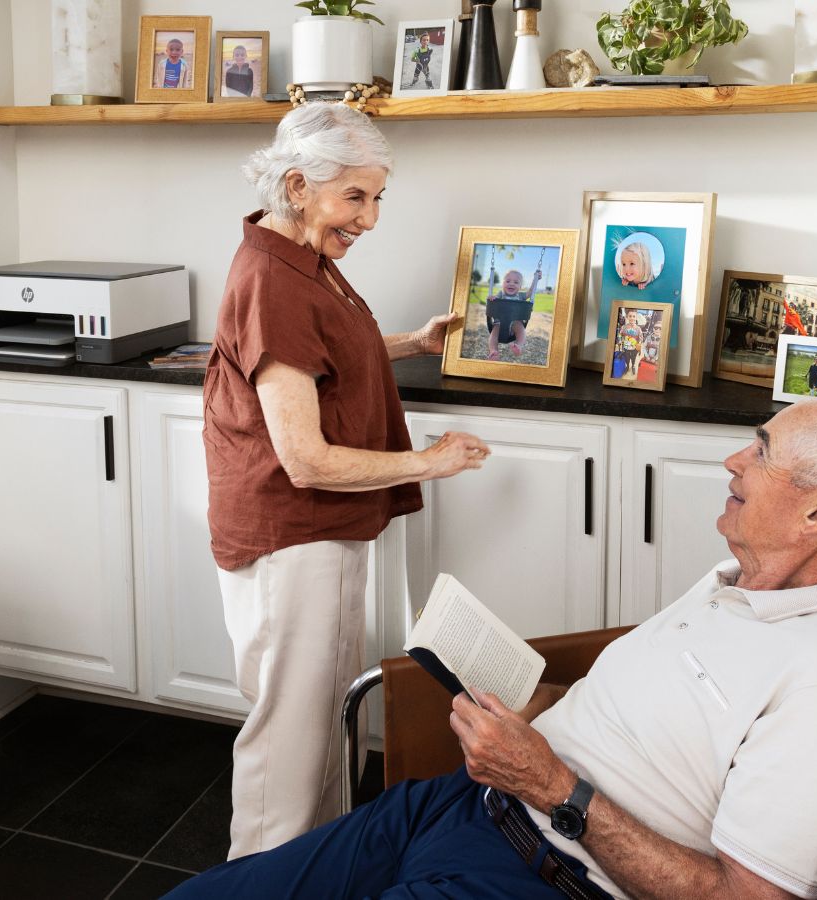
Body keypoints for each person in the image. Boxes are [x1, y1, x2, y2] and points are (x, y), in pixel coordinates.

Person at [169, 400, 817, 900]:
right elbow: (623, 728)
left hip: (538, 874)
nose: (732, 462)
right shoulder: (727, 585)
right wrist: (523, 702)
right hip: (459, 802)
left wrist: (553, 786)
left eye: (760, 451)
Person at [204, 103, 492, 860]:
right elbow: (306, 458)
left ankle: (313, 871)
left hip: (319, 529)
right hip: (292, 532)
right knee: (288, 746)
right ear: (299, 185)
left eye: (376, 199)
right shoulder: (275, 279)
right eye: (355, 198)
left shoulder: (304, 262)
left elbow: (325, 354)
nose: (369, 219)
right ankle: (261, 880)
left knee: (316, 724)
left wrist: (411, 343)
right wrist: (433, 462)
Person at [484, 265, 541, 361]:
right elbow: (494, 300)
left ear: (520, 286)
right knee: (493, 335)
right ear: (503, 284)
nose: (511, 284)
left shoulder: (521, 296)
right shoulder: (500, 294)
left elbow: (530, 292)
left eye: (516, 282)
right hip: (499, 323)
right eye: (508, 281)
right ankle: (493, 351)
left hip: (515, 323)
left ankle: (518, 346)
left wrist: (536, 280)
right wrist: (492, 298)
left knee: (521, 330)